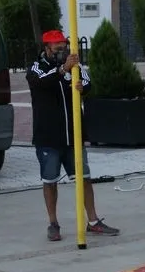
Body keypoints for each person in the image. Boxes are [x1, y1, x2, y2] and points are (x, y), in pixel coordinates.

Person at [27, 29, 120, 241]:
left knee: (84, 179)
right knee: (49, 180)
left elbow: (87, 82)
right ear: (47, 49)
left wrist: (81, 85)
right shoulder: (37, 67)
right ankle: (53, 223)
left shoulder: (74, 65)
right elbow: (39, 81)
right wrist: (61, 70)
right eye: (58, 49)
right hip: (48, 137)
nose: (63, 51)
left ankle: (93, 221)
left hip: (74, 136)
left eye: (65, 47)